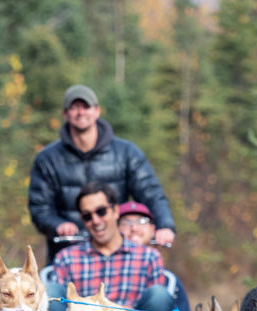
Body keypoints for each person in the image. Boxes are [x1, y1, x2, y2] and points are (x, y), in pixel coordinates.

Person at [29, 84, 176, 264]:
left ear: (97, 111)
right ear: (65, 114)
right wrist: (58, 225)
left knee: (161, 291)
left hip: (118, 253)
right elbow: (39, 208)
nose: (80, 112)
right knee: (52, 290)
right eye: (74, 108)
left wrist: (164, 226)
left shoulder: (126, 153)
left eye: (86, 107)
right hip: (69, 255)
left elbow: (151, 193)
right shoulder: (47, 159)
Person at [45, 182, 174, 311]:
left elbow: (156, 308)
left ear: (115, 211)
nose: (96, 220)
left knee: (160, 295)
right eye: (87, 216)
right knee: (50, 291)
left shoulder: (148, 257)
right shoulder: (66, 257)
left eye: (101, 211)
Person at [118, 200, 191, 311]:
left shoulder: (170, 281)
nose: (134, 228)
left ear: (152, 229)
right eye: (126, 222)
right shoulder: (106, 270)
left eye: (142, 221)